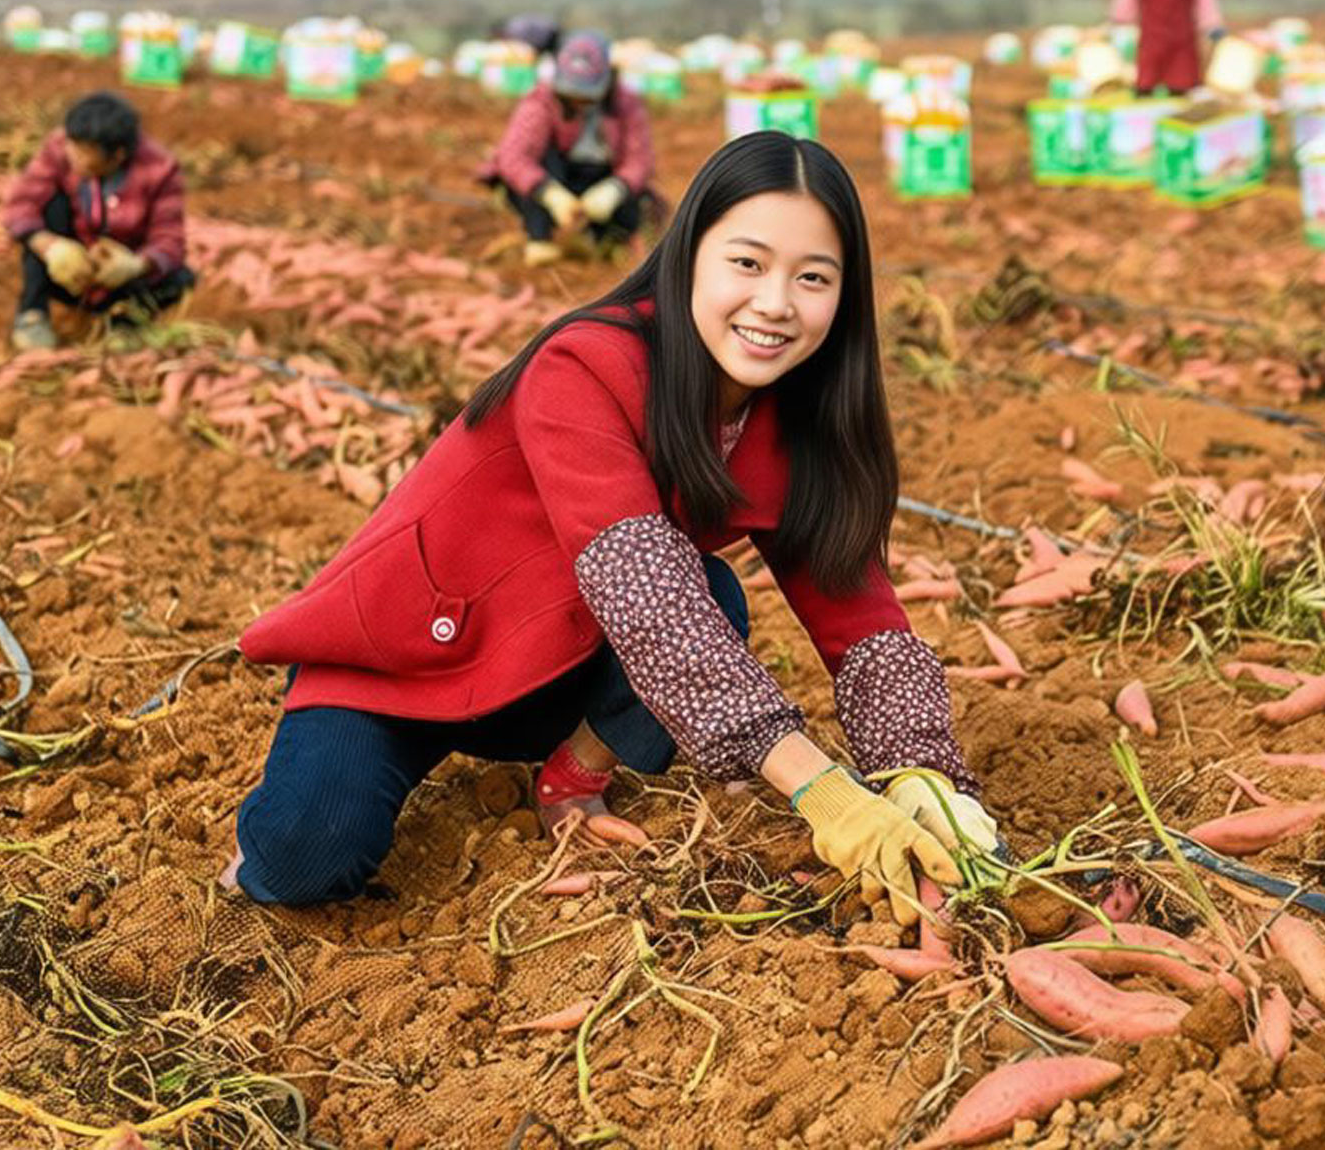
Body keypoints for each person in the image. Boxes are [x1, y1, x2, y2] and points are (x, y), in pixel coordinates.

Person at [226, 131, 1000, 926]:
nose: (775, 303)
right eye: (748, 263)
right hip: (405, 658)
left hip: (552, 667)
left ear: (845, 296)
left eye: (812, 278)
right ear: (690, 252)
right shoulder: (586, 365)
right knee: (305, 855)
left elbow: (859, 614)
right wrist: (821, 786)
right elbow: (645, 593)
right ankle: (285, 822)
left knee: (714, 595)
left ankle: (571, 774)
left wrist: (921, 773)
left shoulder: (795, 424)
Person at [1, 91, 193, 351]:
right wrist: (49, 246)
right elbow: (19, 206)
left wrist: (136, 265)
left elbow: (170, 239)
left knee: (181, 278)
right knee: (48, 208)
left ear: (117, 156)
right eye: (72, 148)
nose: (73, 157)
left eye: (84, 155)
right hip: (69, 271)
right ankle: (32, 314)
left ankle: (125, 323)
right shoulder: (60, 147)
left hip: (121, 276)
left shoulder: (160, 169)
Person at [479, 30, 654, 267]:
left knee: (634, 204)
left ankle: (598, 238)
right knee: (535, 167)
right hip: (559, 176)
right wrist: (549, 193)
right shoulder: (541, 101)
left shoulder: (625, 103)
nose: (579, 101)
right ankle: (540, 238)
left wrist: (616, 188)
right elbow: (513, 157)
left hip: (601, 177)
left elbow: (640, 160)